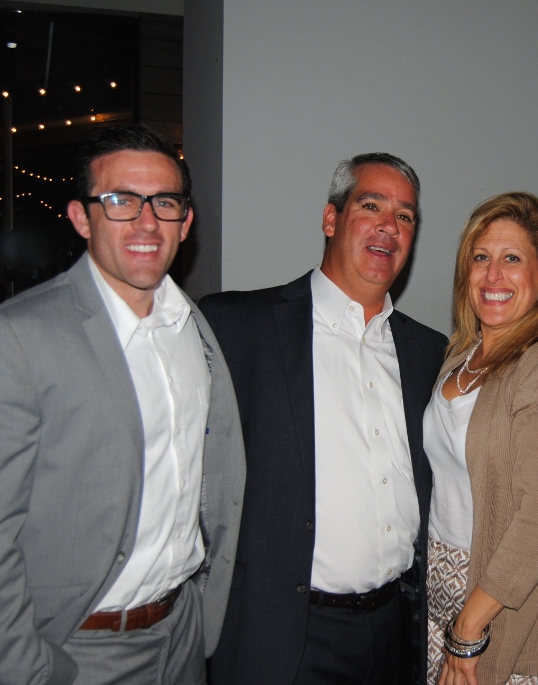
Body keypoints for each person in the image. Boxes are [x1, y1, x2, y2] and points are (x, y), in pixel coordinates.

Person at [0, 123, 246, 685]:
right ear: (81, 217)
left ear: (185, 221)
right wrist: (32, 670)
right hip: (73, 648)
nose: (146, 222)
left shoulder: (194, 329)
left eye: (165, 202)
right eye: (121, 201)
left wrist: (197, 620)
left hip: (181, 637)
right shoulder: (10, 339)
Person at [200, 153, 448, 685]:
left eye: (405, 216)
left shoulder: (429, 352)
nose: (389, 226)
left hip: (395, 631)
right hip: (284, 635)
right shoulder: (238, 328)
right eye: (371, 206)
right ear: (331, 219)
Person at [426, 193, 538, 685]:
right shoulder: (462, 355)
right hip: (439, 598)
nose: (493, 275)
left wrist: (468, 628)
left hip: (498, 614)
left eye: (512, 259)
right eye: (481, 257)